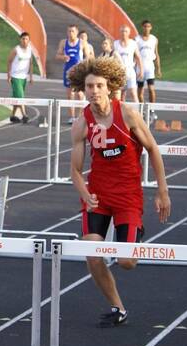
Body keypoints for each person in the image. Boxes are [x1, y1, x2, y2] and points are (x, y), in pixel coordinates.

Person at [67, 56, 170, 327]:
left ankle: (134, 236)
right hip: (98, 196)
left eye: (99, 85)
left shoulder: (126, 114)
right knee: (92, 253)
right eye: (89, 86)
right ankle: (118, 307)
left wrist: (162, 191)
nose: (94, 91)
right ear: (84, 89)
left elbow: (153, 149)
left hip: (127, 196)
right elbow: (75, 170)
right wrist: (85, 192)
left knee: (126, 261)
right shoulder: (82, 123)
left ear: (109, 87)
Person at [5, 31, 45, 124]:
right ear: (20, 40)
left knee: (17, 97)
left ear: (29, 40)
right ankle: (24, 115)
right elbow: (9, 61)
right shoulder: (16, 50)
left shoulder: (30, 50)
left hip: (24, 77)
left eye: (26, 39)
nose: (25, 41)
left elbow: (30, 63)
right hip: (15, 76)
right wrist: (8, 75)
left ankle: (13, 115)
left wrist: (31, 77)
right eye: (23, 39)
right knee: (20, 96)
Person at [60, 23, 94, 115]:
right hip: (67, 71)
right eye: (69, 31)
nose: (71, 33)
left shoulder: (82, 43)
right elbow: (57, 55)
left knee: (79, 94)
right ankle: (72, 116)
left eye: (73, 31)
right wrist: (63, 57)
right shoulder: (64, 42)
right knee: (70, 95)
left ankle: (81, 115)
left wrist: (81, 65)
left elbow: (88, 57)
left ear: (77, 32)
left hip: (79, 71)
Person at [112, 25, 144, 103]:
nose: (124, 33)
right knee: (120, 95)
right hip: (119, 72)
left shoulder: (133, 44)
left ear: (129, 33)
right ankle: (120, 113)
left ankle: (138, 112)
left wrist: (141, 70)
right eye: (122, 31)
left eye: (126, 31)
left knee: (133, 93)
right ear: (120, 32)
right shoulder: (115, 44)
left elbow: (138, 57)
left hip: (130, 71)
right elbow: (111, 57)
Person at [136, 20, 160, 103]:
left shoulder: (154, 39)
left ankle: (152, 109)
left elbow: (156, 54)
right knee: (140, 91)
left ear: (151, 28)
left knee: (151, 89)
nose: (146, 28)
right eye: (145, 26)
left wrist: (158, 68)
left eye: (148, 26)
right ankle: (142, 108)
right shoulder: (137, 39)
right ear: (142, 27)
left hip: (150, 67)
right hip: (140, 68)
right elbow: (134, 55)